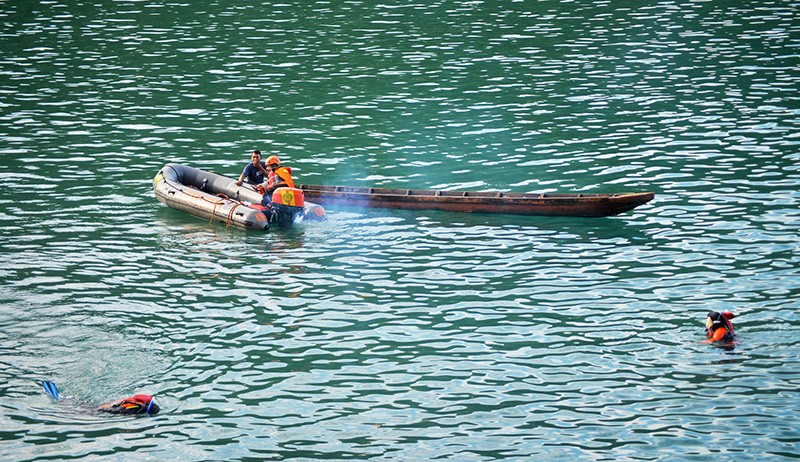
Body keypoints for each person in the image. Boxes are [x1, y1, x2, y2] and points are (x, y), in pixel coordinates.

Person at [42, 380, 160, 415]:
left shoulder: (136, 404)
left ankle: (66, 399)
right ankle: (62, 400)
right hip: (101, 409)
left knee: (82, 404)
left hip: (105, 405)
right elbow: (115, 410)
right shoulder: (133, 409)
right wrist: (99, 410)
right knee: (78, 410)